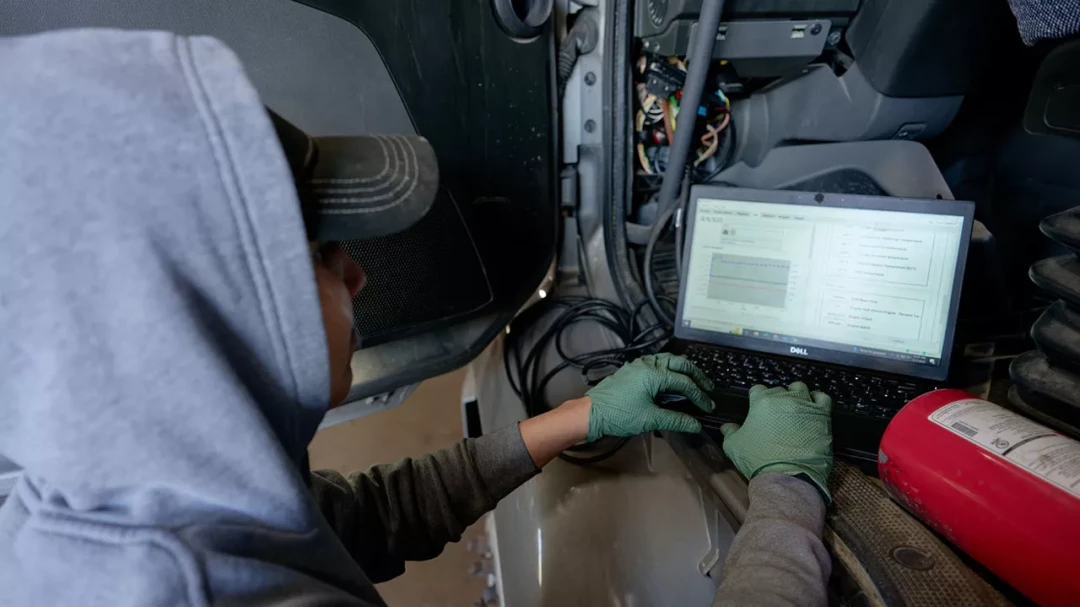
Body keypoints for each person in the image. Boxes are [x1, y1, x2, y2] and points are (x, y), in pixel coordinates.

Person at [0, 30, 832, 606]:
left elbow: (360, 520)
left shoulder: (138, 492)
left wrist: (581, 415)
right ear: (212, 315)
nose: (359, 272)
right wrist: (788, 493)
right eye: (325, 256)